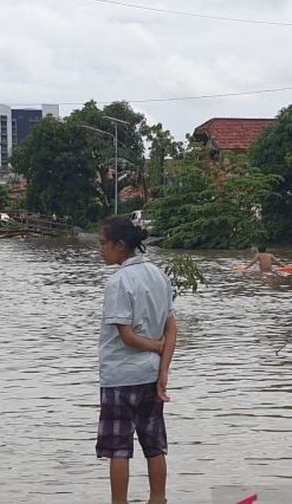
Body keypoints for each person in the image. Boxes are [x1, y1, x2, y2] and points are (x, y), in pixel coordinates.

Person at [96, 216, 177, 504]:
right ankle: (159, 499)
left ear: (120, 245)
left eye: (104, 244)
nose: (100, 250)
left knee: (118, 448)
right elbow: (171, 327)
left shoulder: (118, 282)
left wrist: (155, 348)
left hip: (121, 375)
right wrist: (163, 368)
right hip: (151, 376)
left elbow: (127, 336)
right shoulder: (158, 275)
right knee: (155, 445)